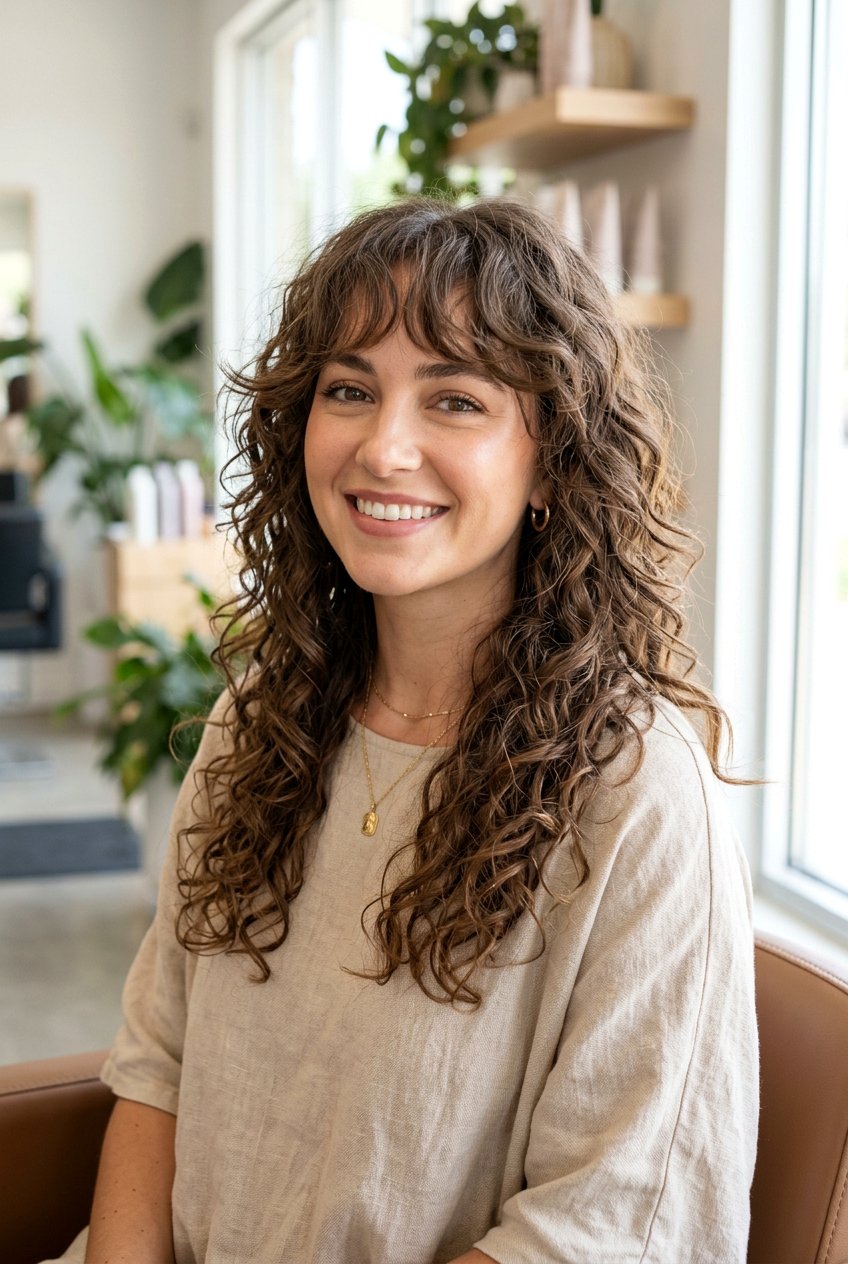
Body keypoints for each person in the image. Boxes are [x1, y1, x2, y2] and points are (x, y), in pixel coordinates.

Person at [54, 198, 759, 1264]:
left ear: (550, 455)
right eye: (349, 389)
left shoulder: (633, 794)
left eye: (454, 399)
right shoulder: (260, 725)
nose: (383, 447)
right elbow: (159, 1068)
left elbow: (599, 1229)